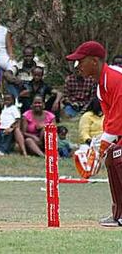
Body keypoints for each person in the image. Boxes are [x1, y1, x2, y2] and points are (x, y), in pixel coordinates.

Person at [66, 41, 122, 227]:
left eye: (81, 61)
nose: (78, 66)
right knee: (112, 159)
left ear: (95, 61)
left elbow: (119, 116)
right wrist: (99, 144)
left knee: (118, 158)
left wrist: (102, 145)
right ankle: (118, 215)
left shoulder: (115, 78)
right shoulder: (101, 86)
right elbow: (111, 118)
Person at [0, 93, 26, 157]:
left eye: (9, 100)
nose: (6, 101)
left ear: (13, 101)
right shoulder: (4, 108)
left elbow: (17, 120)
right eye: (5, 100)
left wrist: (11, 128)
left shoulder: (14, 108)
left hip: (8, 128)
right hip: (1, 128)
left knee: (6, 141)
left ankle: (3, 152)